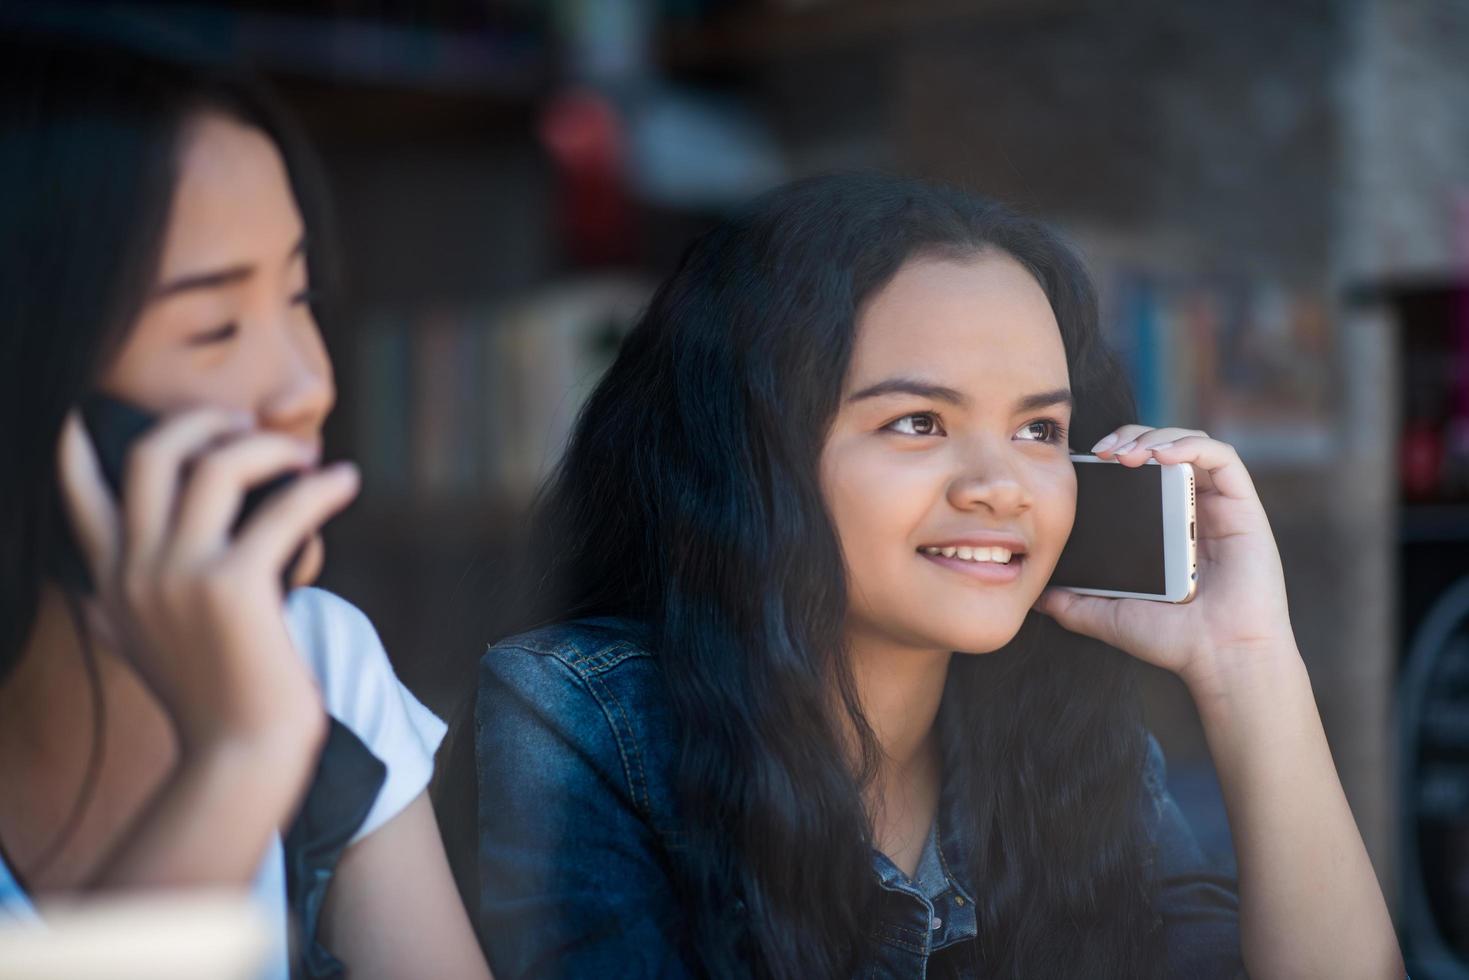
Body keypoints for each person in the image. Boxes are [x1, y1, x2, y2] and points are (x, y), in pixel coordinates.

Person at [461, 174, 1402, 978]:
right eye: (917, 421)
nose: (1000, 488)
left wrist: (1248, 665)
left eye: (1039, 430)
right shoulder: (580, 719)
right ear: (750, 454)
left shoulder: (1063, 745)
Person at [0, 31, 489, 980]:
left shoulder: (314, 655)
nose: (306, 385)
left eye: (300, 295)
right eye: (214, 326)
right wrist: (240, 759)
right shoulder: (277, 698)